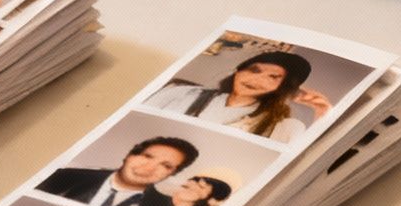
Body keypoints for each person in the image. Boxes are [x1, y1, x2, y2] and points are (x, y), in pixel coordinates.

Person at [142, 50, 332, 142]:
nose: (256, 79)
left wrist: (323, 115)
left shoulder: (283, 127)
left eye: (273, 77)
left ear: (281, 86)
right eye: (254, 70)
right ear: (238, 71)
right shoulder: (181, 93)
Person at [35, 137, 198, 206]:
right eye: (147, 156)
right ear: (129, 155)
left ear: (172, 174)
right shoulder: (64, 176)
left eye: (166, 166)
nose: (149, 168)